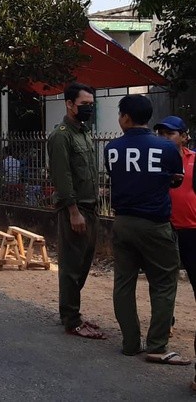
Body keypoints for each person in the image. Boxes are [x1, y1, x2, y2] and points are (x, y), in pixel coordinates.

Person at [105, 94, 191, 365]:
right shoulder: (165, 148)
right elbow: (175, 180)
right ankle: (157, 345)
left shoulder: (112, 148)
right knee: (164, 283)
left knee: (124, 282)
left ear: (126, 117)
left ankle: (131, 343)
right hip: (155, 224)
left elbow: (115, 175)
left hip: (123, 222)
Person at [47, 82, 104, 339]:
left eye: (91, 105)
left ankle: (73, 313)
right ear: (69, 104)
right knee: (71, 266)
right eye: (84, 105)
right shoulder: (61, 136)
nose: (88, 110)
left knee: (83, 264)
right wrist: (72, 211)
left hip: (91, 207)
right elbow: (63, 176)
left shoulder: (83, 132)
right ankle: (71, 319)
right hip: (76, 209)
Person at [154, 115, 196, 382]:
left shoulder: (195, 159)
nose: (164, 137)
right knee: (164, 279)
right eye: (161, 133)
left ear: (183, 136)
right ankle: (164, 322)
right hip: (165, 226)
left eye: (170, 133)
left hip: (192, 229)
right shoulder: (155, 159)